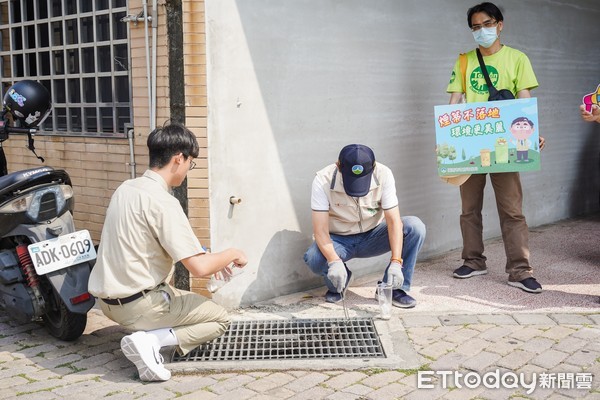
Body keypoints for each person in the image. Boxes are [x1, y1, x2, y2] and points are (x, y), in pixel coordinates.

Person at [88, 122, 247, 382]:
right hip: (139, 307)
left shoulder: (125, 189)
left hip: (107, 304)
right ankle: (150, 340)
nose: (188, 170)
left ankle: (148, 334)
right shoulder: (164, 202)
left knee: (181, 296)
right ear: (178, 159)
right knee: (219, 318)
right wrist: (233, 253)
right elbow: (200, 268)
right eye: (190, 163)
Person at [446, 2, 545, 293]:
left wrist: (533, 133)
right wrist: (446, 138)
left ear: (500, 25)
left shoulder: (517, 59)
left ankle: (520, 269)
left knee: (512, 210)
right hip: (471, 146)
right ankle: (473, 261)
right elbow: (453, 103)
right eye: (475, 27)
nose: (481, 31)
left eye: (487, 24)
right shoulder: (464, 61)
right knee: (469, 209)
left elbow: (525, 101)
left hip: (505, 144)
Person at [303, 144, 426, 308]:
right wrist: (334, 261)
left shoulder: (384, 174)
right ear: (338, 166)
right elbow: (320, 231)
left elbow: (394, 221)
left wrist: (396, 261)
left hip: (372, 235)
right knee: (313, 258)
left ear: (373, 167)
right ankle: (342, 279)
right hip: (339, 241)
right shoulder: (322, 180)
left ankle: (392, 288)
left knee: (414, 227)